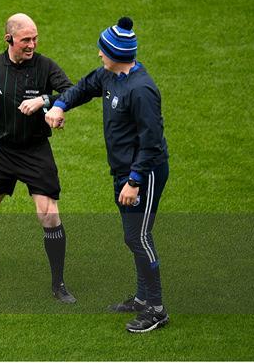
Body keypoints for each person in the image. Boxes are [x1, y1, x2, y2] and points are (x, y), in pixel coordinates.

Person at [45, 17, 169, 331]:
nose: (99, 55)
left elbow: (152, 143)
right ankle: (142, 299)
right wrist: (60, 105)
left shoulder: (141, 90)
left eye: (102, 51)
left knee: (138, 237)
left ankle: (156, 310)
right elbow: (85, 87)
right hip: (123, 172)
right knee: (134, 237)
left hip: (144, 173)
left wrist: (134, 181)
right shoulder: (110, 75)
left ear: (115, 54)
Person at [0, 13, 76, 304]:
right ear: (9, 39)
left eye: (35, 39)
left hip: (35, 150)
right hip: (1, 152)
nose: (32, 45)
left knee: (49, 215)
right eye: (25, 40)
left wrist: (45, 101)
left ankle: (58, 284)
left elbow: (70, 91)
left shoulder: (44, 66)